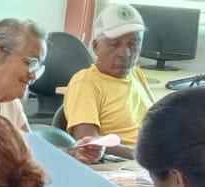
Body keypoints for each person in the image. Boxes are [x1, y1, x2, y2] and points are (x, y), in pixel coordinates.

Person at [61, 3, 155, 160]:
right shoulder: (85, 83)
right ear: (96, 46)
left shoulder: (137, 75)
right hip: (120, 164)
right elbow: (88, 143)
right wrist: (144, 155)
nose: (125, 53)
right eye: (115, 44)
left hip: (150, 161)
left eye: (133, 44)